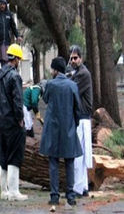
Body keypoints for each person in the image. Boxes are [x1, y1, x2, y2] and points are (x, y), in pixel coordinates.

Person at [40, 56, 82, 206]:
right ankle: (70, 196)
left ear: (56, 70)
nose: (51, 71)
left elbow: (45, 99)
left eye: (52, 68)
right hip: (68, 128)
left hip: (52, 129)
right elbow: (78, 109)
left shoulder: (51, 85)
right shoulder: (72, 86)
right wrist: (74, 125)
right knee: (69, 162)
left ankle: (54, 196)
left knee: (53, 163)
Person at [0, 43, 27, 201]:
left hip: (2, 121)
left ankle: (4, 191)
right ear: (17, 59)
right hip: (14, 122)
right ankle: (14, 191)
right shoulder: (15, 76)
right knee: (14, 155)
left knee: (3, 155)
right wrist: (20, 119)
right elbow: (17, 101)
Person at [69, 45, 93, 198]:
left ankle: (78, 188)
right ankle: (83, 186)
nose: (72, 60)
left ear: (81, 58)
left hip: (82, 119)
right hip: (83, 118)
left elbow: (71, 88)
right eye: (71, 58)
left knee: (78, 155)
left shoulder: (83, 74)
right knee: (82, 155)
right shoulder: (79, 72)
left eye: (75, 58)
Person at [0, 0, 23, 65]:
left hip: (7, 42)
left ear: (5, 5)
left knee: (7, 59)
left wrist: (18, 36)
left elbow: (13, 26)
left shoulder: (9, 14)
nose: (2, 6)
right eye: (1, 4)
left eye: (3, 4)